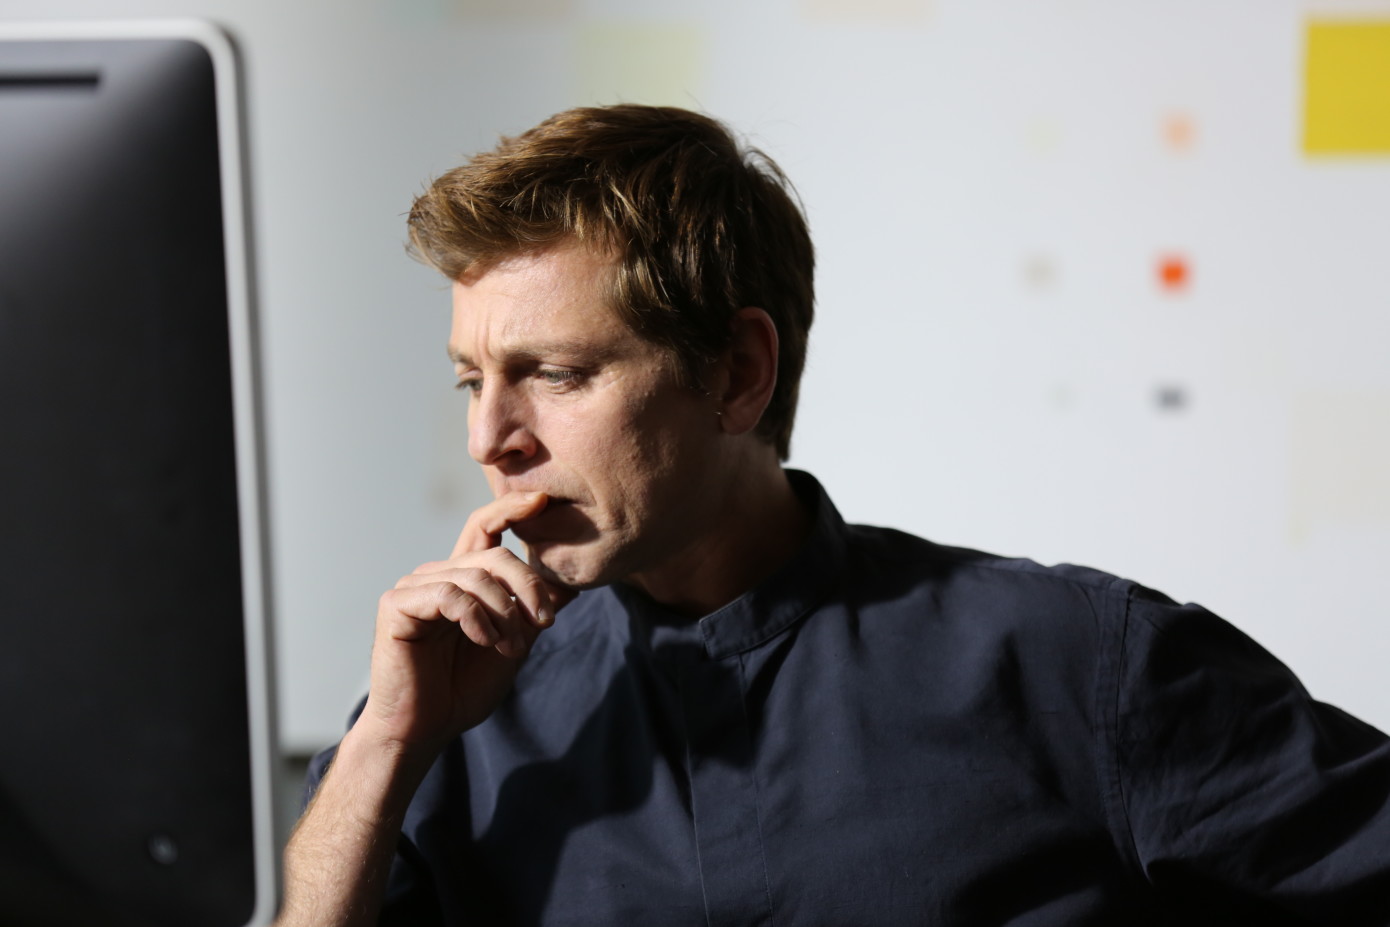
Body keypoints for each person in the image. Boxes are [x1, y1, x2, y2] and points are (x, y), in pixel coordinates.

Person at [276, 105, 1390, 926]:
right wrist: (384, 748)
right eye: (472, 380)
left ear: (738, 373)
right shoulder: (448, 719)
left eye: (556, 373)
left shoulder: (1075, 666)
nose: (490, 438)